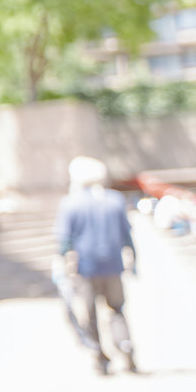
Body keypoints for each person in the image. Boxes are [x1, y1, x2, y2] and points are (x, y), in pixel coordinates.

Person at [55, 155, 139, 375]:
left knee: (89, 313)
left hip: (85, 267)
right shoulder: (114, 199)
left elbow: (64, 241)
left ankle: (99, 356)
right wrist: (134, 260)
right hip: (113, 265)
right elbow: (127, 235)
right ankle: (125, 344)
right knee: (117, 309)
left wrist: (62, 263)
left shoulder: (70, 203)